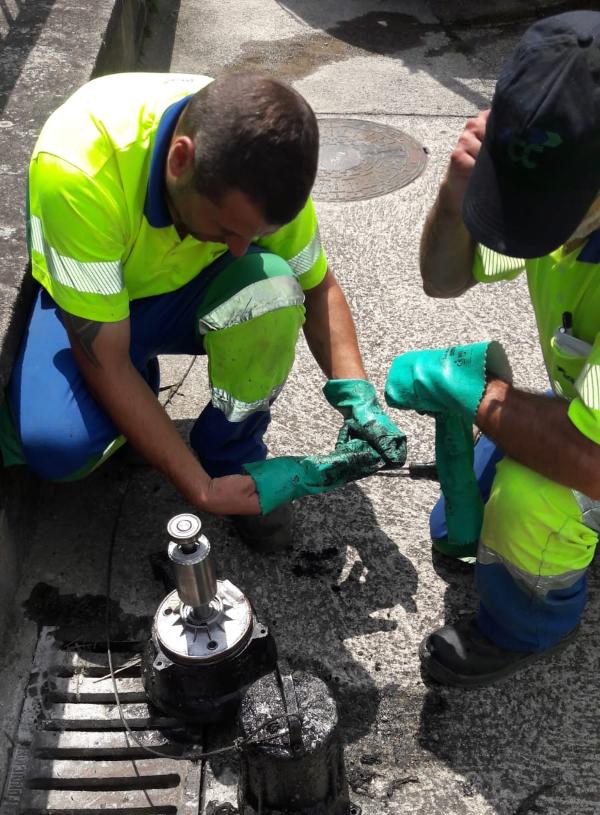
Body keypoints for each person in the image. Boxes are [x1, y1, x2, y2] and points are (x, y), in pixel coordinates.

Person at [0, 72, 405, 552]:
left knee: (273, 290)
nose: (239, 249)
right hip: (91, 303)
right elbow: (106, 361)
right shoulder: (80, 171)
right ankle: (139, 400)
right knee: (57, 445)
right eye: (227, 229)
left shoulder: (264, 161)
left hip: (179, 290)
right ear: (180, 160)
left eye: (254, 235)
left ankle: (231, 457)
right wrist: (199, 490)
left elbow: (319, 290)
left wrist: (358, 397)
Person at [387, 9, 600, 686]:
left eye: (545, 212)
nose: (531, 230)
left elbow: (593, 461)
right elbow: (443, 278)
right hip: (591, 411)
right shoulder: (564, 178)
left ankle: (529, 628)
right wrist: (457, 197)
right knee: (457, 525)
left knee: (530, 505)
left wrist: (478, 396)